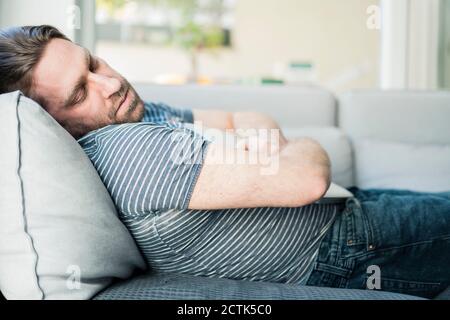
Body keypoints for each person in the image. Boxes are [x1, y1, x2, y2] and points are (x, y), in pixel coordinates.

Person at [1, 25, 449, 299]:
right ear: (52, 123)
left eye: (93, 62)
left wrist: (267, 145)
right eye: (81, 91)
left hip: (344, 210)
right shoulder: (127, 151)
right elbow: (307, 176)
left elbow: (242, 117)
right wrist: (296, 145)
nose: (111, 82)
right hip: (344, 246)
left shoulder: (129, 115)